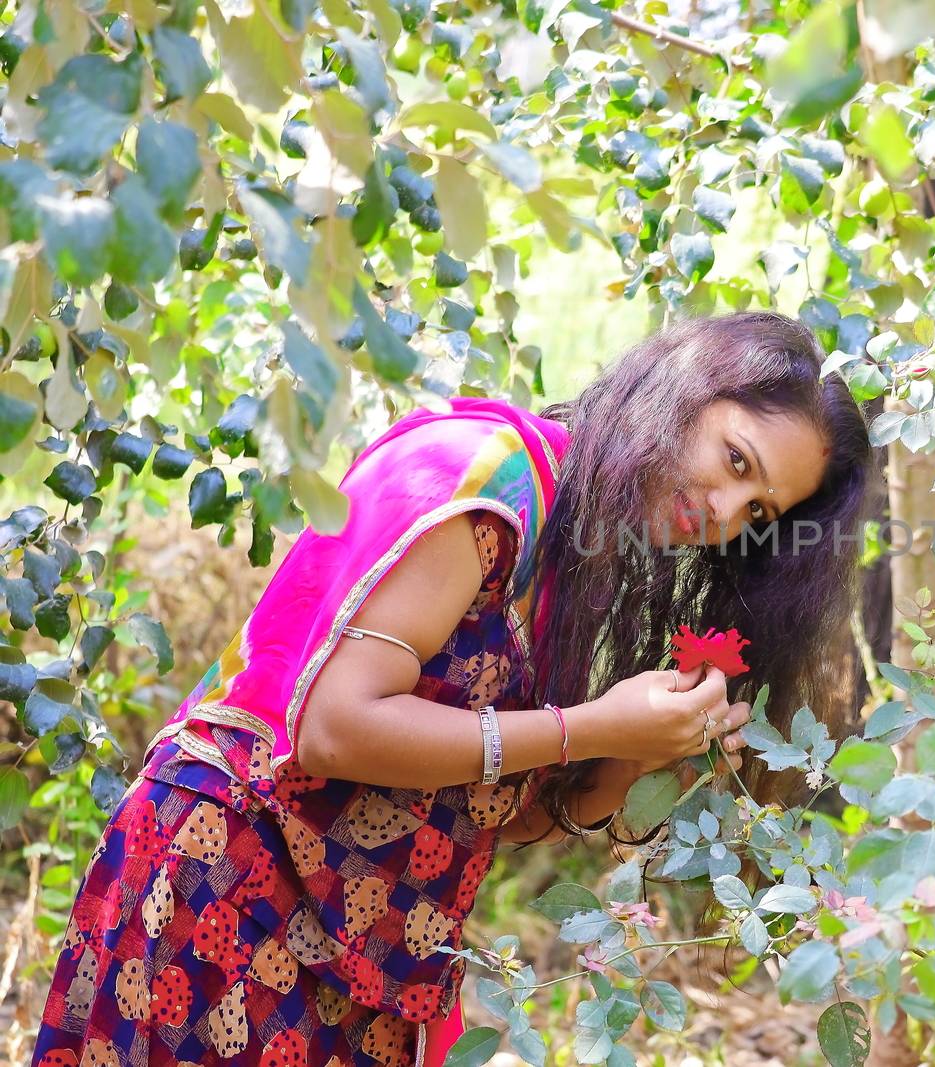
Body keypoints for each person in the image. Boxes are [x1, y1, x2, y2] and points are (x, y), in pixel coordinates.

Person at [30, 311, 873, 1067]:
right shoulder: (493, 483)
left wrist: (639, 745)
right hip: (231, 883)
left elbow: (490, 810)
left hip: (361, 943)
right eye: (734, 460)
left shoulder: (576, 556)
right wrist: (588, 725)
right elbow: (334, 727)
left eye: (760, 509)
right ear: (686, 387)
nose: (726, 509)